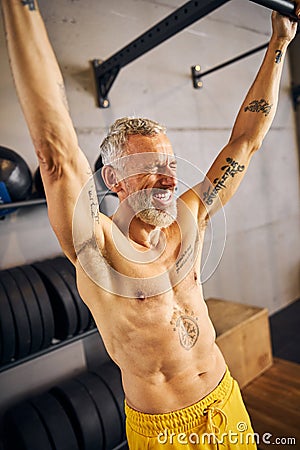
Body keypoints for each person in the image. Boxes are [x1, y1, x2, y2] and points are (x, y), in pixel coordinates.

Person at [1, 0, 299, 448]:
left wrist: (280, 40)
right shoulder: (96, 246)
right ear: (113, 179)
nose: (168, 177)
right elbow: (55, 153)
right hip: (165, 433)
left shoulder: (189, 218)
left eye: (171, 163)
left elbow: (246, 141)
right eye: (149, 164)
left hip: (225, 402)